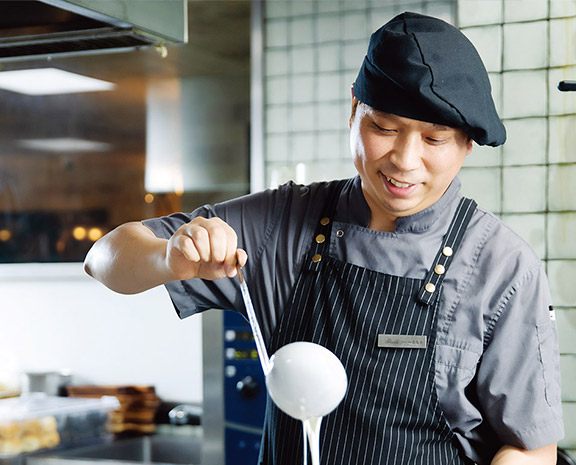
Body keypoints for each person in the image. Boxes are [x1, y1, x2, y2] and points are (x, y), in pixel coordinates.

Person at [84, 12, 564, 465]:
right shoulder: (285, 223)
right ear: (353, 109)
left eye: (434, 139)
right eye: (384, 127)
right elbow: (104, 259)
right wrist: (171, 258)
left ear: (466, 144)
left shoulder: (502, 265)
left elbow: (530, 449)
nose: (404, 158)